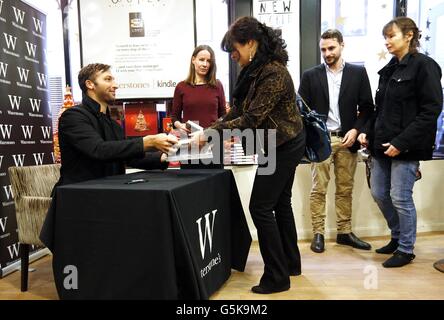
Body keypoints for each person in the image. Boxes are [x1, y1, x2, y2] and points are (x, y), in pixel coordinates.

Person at [193, 16, 306, 294]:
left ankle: (277, 277)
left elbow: (252, 119)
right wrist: (215, 128)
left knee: (260, 206)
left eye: (235, 49)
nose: (233, 56)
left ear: (251, 43)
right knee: (279, 204)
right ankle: (290, 263)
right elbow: (238, 112)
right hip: (273, 142)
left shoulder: (274, 73)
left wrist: (210, 133)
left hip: (285, 144)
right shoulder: (253, 71)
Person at [40, 63, 178, 248]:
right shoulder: (72, 116)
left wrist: (164, 157)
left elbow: (128, 156)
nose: (115, 85)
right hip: (77, 199)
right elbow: (98, 150)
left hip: (108, 196)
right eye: (108, 79)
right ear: (90, 84)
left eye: (113, 79)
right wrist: (148, 141)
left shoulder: (112, 123)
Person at [358, 17, 442, 268]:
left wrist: (402, 142)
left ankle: (406, 248)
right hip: (382, 145)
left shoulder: (425, 66)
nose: (387, 41)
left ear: (409, 35)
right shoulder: (389, 69)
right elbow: (379, 110)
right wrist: (368, 135)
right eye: (385, 37)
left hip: (406, 147)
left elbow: (431, 110)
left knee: (400, 197)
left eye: (391, 36)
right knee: (379, 193)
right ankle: (396, 236)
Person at [298, 29, 374, 253]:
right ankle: (318, 233)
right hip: (321, 141)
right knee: (318, 189)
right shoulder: (310, 75)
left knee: (345, 189)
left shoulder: (358, 73)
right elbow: (302, 110)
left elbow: (368, 108)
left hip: (347, 140)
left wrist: (356, 129)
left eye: (331, 48)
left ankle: (344, 232)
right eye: (323, 49)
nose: (327, 53)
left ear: (342, 45)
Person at [172, 45, 226, 130]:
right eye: (201, 60)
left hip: (212, 137)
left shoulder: (217, 85)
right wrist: (180, 125)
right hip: (189, 138)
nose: (205, 64)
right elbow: (175, 117)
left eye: (208, 61)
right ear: (193, 60)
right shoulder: (181, 87)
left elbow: (223, 116)